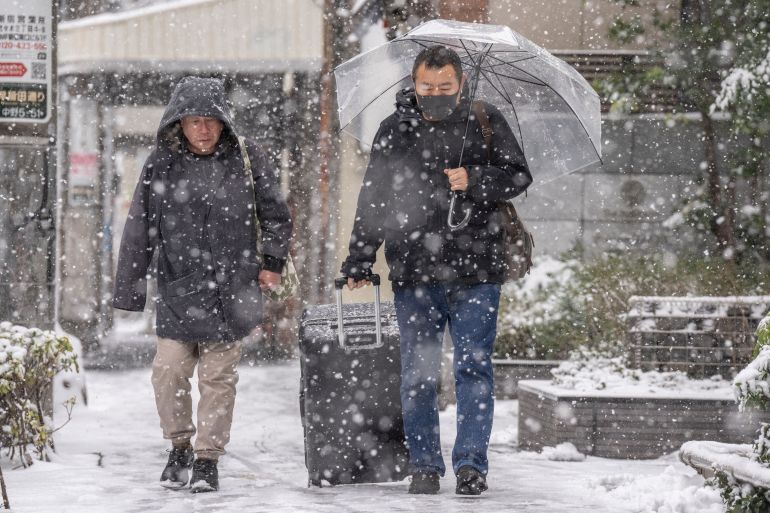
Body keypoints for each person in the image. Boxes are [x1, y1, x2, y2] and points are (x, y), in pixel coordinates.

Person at [341, 45, 532, 496]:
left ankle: (471, 465)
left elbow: (519, 176)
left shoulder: (485, 122)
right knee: (418, 374)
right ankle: (424, 464)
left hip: (478, 270)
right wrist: (359, 259)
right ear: (414, 82)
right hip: (414, 271)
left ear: (461, 83)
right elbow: (373, 201)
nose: (435, 95)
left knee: (474, 369)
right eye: (426, 87)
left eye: (445, 87)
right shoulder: (394, 130)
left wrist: (476, 179)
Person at [112, 76, 292, 493]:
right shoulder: (161, 163)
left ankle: (208, 459)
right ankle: (179, 447)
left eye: (211, 120)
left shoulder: (247, 157)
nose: (204, 129)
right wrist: (131, 288)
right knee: (169, 372)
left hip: (233, 288)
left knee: (218, 379)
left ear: (224, 122)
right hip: (178, 287)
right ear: (179, 124)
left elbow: (276, 215)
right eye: (194, 121)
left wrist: (272, 263)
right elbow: (140, 227)